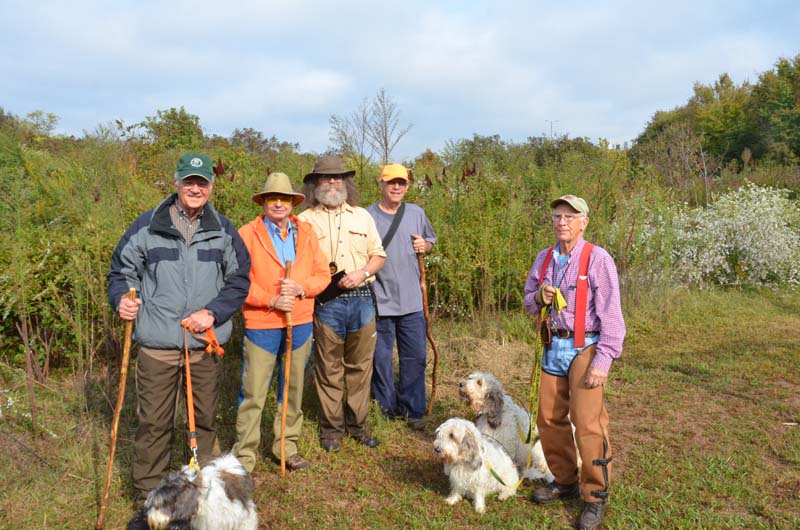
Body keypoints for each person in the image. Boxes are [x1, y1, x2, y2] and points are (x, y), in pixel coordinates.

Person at [107, 153, 250, 505]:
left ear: (211, 187)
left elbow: (239, 280)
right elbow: (121, 271)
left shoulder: (224, 230)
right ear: (177, 183)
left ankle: (201, 492)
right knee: (154, 423)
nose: (195, 188)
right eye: (189, 182)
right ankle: (149, 498)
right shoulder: (147, 226)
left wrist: (213, 313)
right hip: (158, 345)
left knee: (204, 420)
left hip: (204, 344)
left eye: (202, 182)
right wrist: (122, 299)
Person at [523, 194, 625, 530]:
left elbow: (612, 315)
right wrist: (539, 297)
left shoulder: (598, 259)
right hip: (552, 345)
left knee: (588, 422)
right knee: (549, 418)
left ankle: (595, 495)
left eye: (570, 216)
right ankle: (565, 480)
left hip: (586, 347)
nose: (562, 222)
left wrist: (603, 361)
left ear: (584, 222)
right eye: (557, 216)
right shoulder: (544, 258)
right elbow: (527, 302)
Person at [232, 172, 331, 472]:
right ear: (263, 202)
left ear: (292, 202)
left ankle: (286, 447)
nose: (278, 203)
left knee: (292, 388)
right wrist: (271, 300)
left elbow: (322, 274)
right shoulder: (247, 234)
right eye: (272, 198)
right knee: (253, 392)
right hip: (261, 324)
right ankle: (244, 456)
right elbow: (237, 281)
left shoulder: (307, 233)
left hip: (299, 322)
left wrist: (301, 288)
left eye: (284, 198)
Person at [298, 155, 386, 452]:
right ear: (316, 183)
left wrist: (363, 273)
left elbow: (378, 256)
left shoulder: (362, 216)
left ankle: (358, 426)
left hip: (362, 301)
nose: (333, 182)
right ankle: (331, 430)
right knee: (328, 369)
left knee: (360, 368)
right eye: (327, 177)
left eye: (338, 177)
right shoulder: (304, 220)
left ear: (346, 182)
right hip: (326, 303)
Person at [367, 164, 437, 430]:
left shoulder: (416, 213)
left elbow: (430, 240)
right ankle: (385, 410)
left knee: (415, 359)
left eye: (402, 183)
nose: (396, 187)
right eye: (391, 182)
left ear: (407, 186)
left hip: (412, 303)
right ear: (381, 184)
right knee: (380, 361)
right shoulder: (367, 216)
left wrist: (425, 246)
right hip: (379, 302)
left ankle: (413, 410)